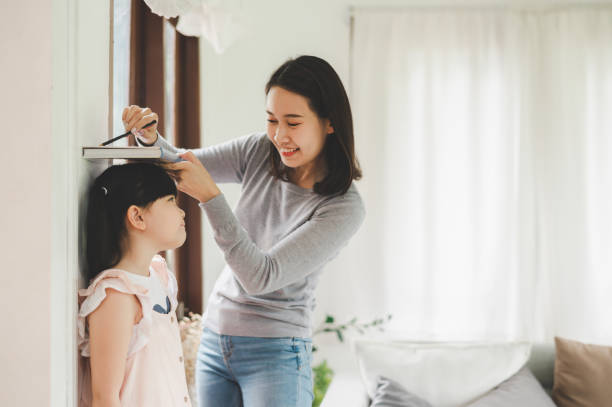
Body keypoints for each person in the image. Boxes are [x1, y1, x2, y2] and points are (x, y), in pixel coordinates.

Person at [123, 55, 365, 407]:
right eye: (272, 120)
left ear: (329, 122)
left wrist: (210, 197)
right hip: (216, 340)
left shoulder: (343, 207)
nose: (280, 136)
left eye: (293, 122)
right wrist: (149, 138)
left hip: (277, 353)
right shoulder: (259, 151)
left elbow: (261, 277)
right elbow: (182, 164)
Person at [78, 162, 192, 406]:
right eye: (171, 201)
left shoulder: (158, 275)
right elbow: (105, 398)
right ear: (137, 216)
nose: (181, 212)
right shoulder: (116, 295)